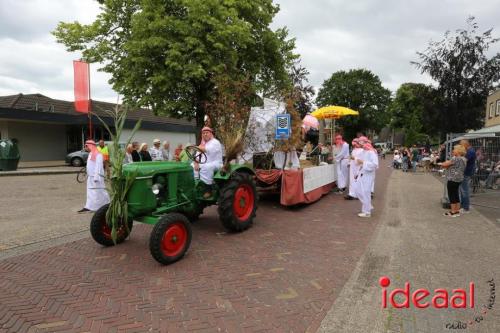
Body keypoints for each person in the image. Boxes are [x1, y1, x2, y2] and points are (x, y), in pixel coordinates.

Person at [78, 140, 110, 213]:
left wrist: (96, 177)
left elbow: (98, 167)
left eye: (86, 146)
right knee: (90, 192)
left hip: (96, 178)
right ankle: (89, 206)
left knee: (100, 191)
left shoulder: (98, 154)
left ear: (90, 146)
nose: (85, 147)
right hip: (91, 177)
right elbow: (90, 165)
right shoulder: (90, 154)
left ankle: (107, 204)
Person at [438, 144, 467, 217]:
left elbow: (444, 165)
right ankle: (457, 211)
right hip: (459, 178)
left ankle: (453, 211)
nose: (453, 151)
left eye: (454, 149)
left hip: (452, 178)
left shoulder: (456, 158)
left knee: (452, 195)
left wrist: (443, 164)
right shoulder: (464, 158)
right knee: (456, 194)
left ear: (458, 151)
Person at [194, 127, 223, 198]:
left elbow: (205, 150)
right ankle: (196, 184)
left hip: (216, 163)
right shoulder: (202, 144)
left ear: (211, 134)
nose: (205, 134)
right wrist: (196, 163)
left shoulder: (215, 142)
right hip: (204, 163)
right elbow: (197, 155)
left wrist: (195, 147)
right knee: (191, 166)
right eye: (203, 133)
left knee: (206, 167)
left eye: (207, 133)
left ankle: (208, 190)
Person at [353, 138, 379, 218]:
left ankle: (367, 212)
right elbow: (358, 161)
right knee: (358, 190)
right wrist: (355, 159)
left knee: (366, 192)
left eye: (361, 143)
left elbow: (375, 164)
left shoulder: (371, 152)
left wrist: (363, 162)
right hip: (362, 173)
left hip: (368, 174)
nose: (360, 145)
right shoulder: (363, 151)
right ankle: (368, 206)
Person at [459, 140, 476, 214]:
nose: (461, 147)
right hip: (466, 172)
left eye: (461, 145)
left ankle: (465, 208)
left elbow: (463, 161)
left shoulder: (470, 151)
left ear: (465, 145)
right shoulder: (470, 150)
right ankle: (464, 206)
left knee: (464, 190)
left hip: (466, 172)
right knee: (463, 190)